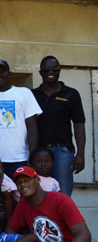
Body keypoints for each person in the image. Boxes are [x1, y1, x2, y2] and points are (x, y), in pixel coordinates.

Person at [32, 56, 86, 196]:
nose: (50, 72)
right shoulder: (32, 95)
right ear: (40, 72)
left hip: (62, 152)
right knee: (38, 195)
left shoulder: (71, 94)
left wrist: (80, 153)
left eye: (54, 69)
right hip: (39, 152)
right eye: (46, 70)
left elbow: (79, 123)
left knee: (62, 196)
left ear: (59, 71)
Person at [0, 59, 42, 178]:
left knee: (19, 194)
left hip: (20, 158)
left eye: (3, 71)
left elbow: (32, 127)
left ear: (9, 74)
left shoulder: (24, 93)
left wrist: (32, 156)